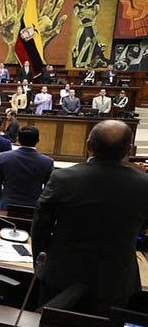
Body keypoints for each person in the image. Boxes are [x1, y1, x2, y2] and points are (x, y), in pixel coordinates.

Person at [32, 120, 148, 316]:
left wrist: (40, 262)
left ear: (88, 145)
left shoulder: (63, 178)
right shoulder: (144, 184)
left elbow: (40, 226)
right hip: (116, 278)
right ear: (129, 149)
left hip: (62, 272)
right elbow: (142, 227)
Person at [0, 125, 54, 211]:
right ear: (38, 140)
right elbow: (49, 189)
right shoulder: (47, 162)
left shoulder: (4, 157)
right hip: (33, 208)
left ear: (17, 140)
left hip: (6, 206)